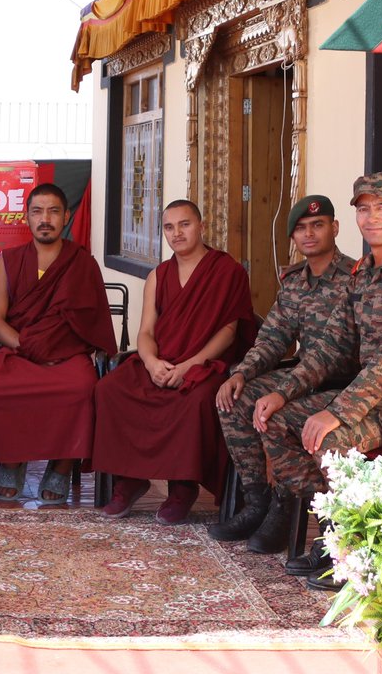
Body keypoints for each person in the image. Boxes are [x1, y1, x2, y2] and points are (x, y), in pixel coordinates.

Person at [255, 173, 382, 589]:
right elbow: (330, 346)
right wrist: (282, 391)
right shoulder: (361, 274)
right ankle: (336, 533)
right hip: (369, 399)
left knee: (329, 439)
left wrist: (336, 412)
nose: (371, 217)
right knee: (278, 422)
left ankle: (356, 555)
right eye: (363, 208)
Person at [208, 194, 357, 552]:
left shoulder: (355, 278)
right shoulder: (294, 283)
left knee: (275, 412)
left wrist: (284, 391)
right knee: (236, 399)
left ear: (334, 228)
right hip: (303, 378)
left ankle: (286, 505)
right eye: (301, 229)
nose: (309, 234)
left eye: (318, 225)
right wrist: (242, 372)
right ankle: (258, 501)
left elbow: (332, 356)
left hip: (345, 385)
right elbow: (273, 338)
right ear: (293, 239)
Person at [92, 199, 255, 525]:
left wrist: (190, 365)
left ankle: (183, 488)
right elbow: (146, 330)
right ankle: (130, 479)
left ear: (202, 227)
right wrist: (151, 363)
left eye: (185, 224)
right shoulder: (159, 275)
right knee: (110, 389)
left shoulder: (226, 270)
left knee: (196, 400)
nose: (177, 233)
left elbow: (229, 331)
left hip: (205, 363)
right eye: (169, 227)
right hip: (160, 360)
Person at [0, 183, 115, 503]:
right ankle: (12, 461)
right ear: (27, 218)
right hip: (20, 349)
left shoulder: (82, 263)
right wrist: (28, 346)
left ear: (66, 216)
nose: (45, 219)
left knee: (82, 389)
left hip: (66, 353)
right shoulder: (9, 261)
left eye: (54, 211)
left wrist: (52, 349)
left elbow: (92, 322)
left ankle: (62, 467)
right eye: (37, 212)